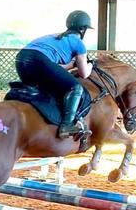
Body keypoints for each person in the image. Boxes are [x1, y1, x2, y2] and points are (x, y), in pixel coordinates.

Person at [15, 10, 93, 139]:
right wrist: (91, 65)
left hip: (22, 59)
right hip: (39, 59)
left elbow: (53, 68)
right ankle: (67, 125)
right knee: (76, 88)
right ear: (83, 29)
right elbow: (84, 73)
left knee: (42, 90)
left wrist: (72, 65)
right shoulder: (78, 43)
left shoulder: (53, 37)